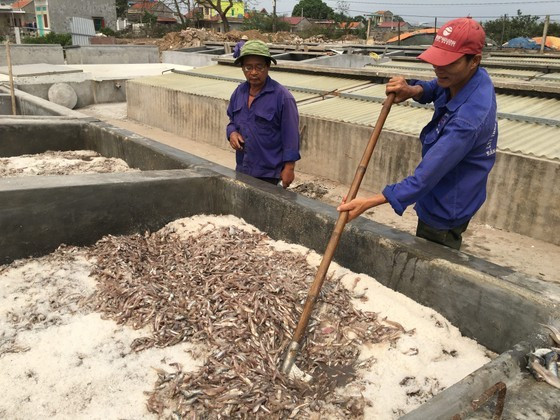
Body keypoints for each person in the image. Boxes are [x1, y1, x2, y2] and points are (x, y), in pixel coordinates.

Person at [338, 17, 498, 250]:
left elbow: (425, 177)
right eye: (436, 61)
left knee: (433, 256)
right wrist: (412, 90)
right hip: (456, 187)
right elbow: (437, 85)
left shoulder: (467, 120)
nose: (438, 69)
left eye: (448, 63)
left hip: (447, 204)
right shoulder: (471, 78)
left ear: (474, 60)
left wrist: (368, 202)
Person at [226, 40, 300, 188]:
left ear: (268, 67)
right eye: (248, 67)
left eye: (259, 67)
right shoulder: (239, 92)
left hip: (269, 173)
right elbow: (231, 121)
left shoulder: (282, 97)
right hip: (243, 167)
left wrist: (289, 168)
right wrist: (232, 133)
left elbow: (291, 136)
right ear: (242, 69)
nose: (253, 72)